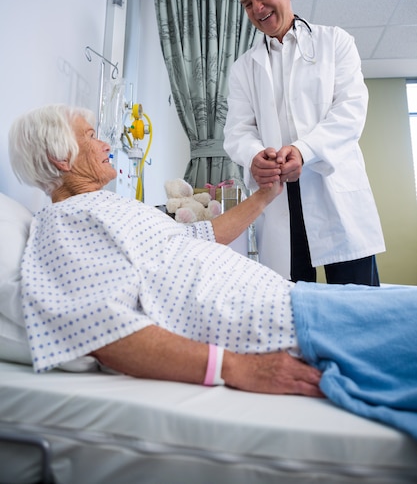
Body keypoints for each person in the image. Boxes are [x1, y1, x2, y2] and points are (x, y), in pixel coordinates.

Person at [8, 104, 417, 440]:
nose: (104, 143)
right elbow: (102, 328)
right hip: (278, 324)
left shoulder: (111, 207)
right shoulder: (64, 222)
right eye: (91, 135)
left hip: (292, 302)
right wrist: (236, 368)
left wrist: (265, 196)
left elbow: (201, 235)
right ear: (61, 158)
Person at [223, 0, 385, 285]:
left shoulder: (335, 42)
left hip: (333, 188)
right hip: (280, 196)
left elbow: (351, 110)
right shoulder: (243, 68)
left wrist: (303, 150)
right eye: (247, 4)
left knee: (357, 303)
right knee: (292, 306)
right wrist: (254, 157)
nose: (257, 8)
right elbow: (238, 130)